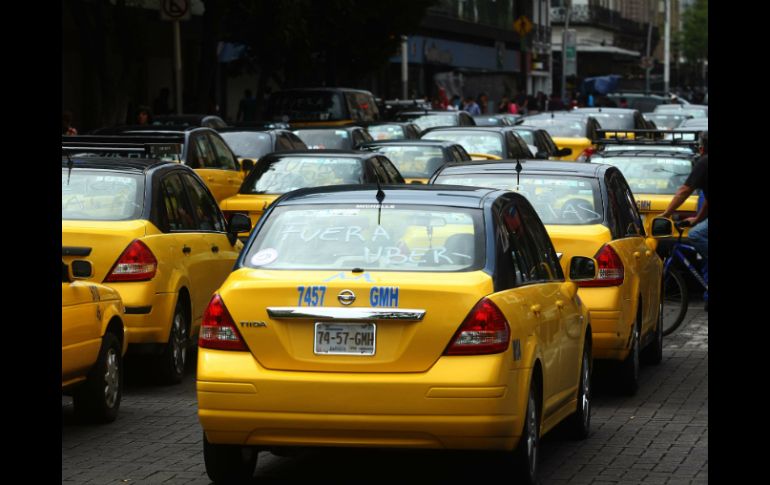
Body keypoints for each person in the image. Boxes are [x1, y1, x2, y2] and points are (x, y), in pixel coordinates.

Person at [660, 131, 708, 310]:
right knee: (697, 229)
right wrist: (697, 219)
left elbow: (684, 191)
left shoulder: (704, 162)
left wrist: (665, 214)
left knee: (695, 234)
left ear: (701, 147)